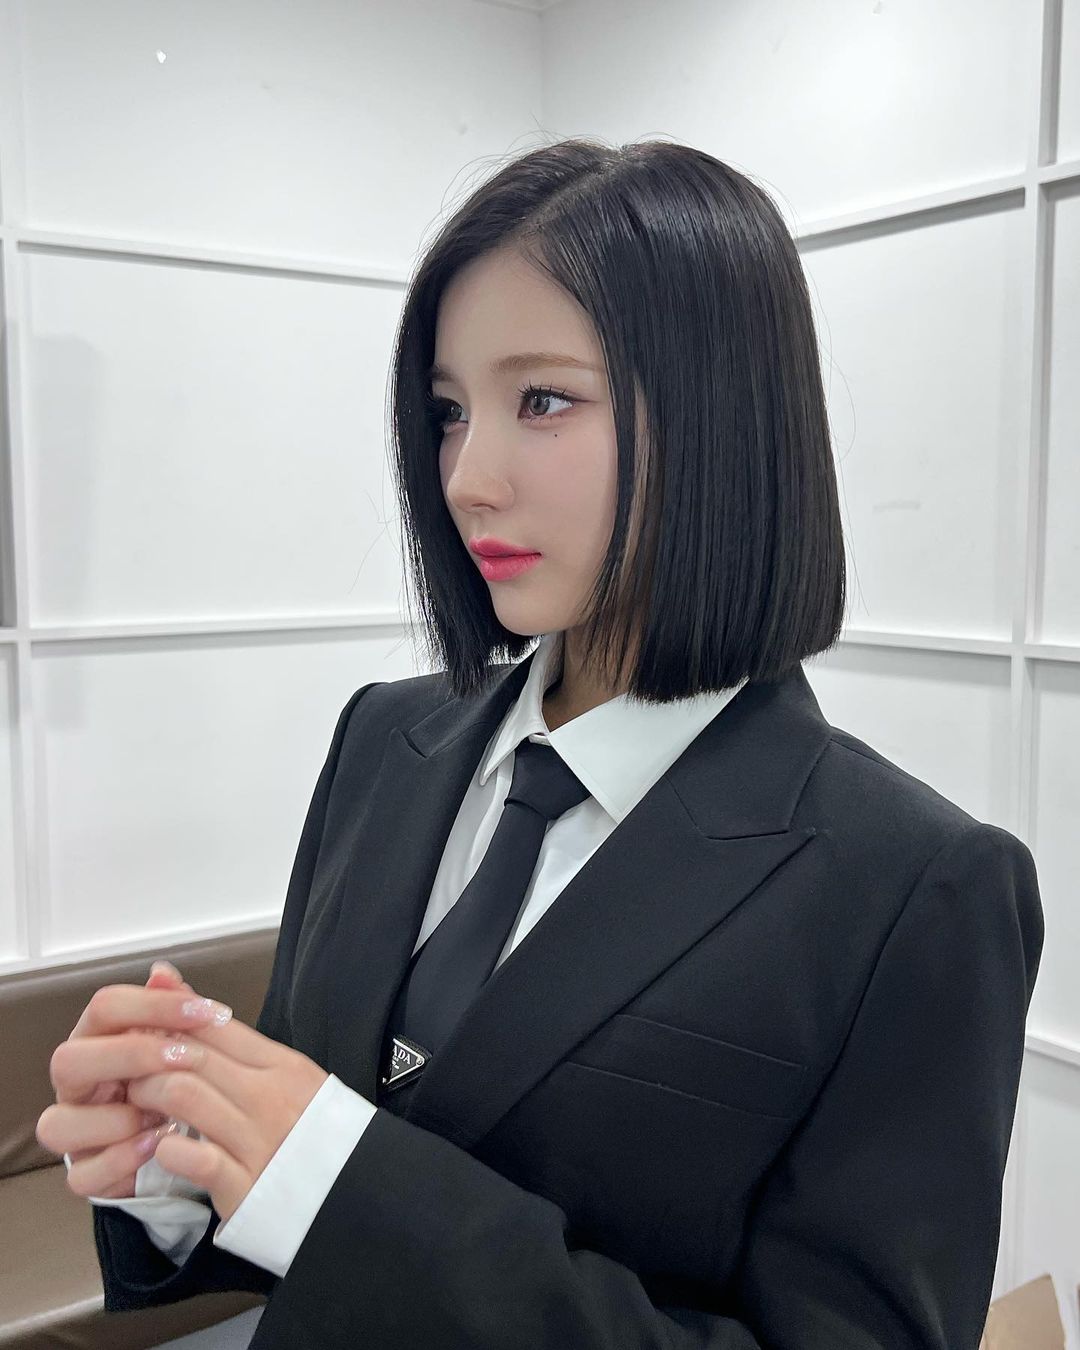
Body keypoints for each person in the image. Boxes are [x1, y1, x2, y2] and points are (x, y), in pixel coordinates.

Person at [39, 137, 1044, 1349]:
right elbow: (305, 1199)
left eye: (544, 401)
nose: (467, 477)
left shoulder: (913, 888)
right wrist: (179, 1164)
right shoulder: (384, 742)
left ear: (723, 417)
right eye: (449, 412)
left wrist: (339, 1182)